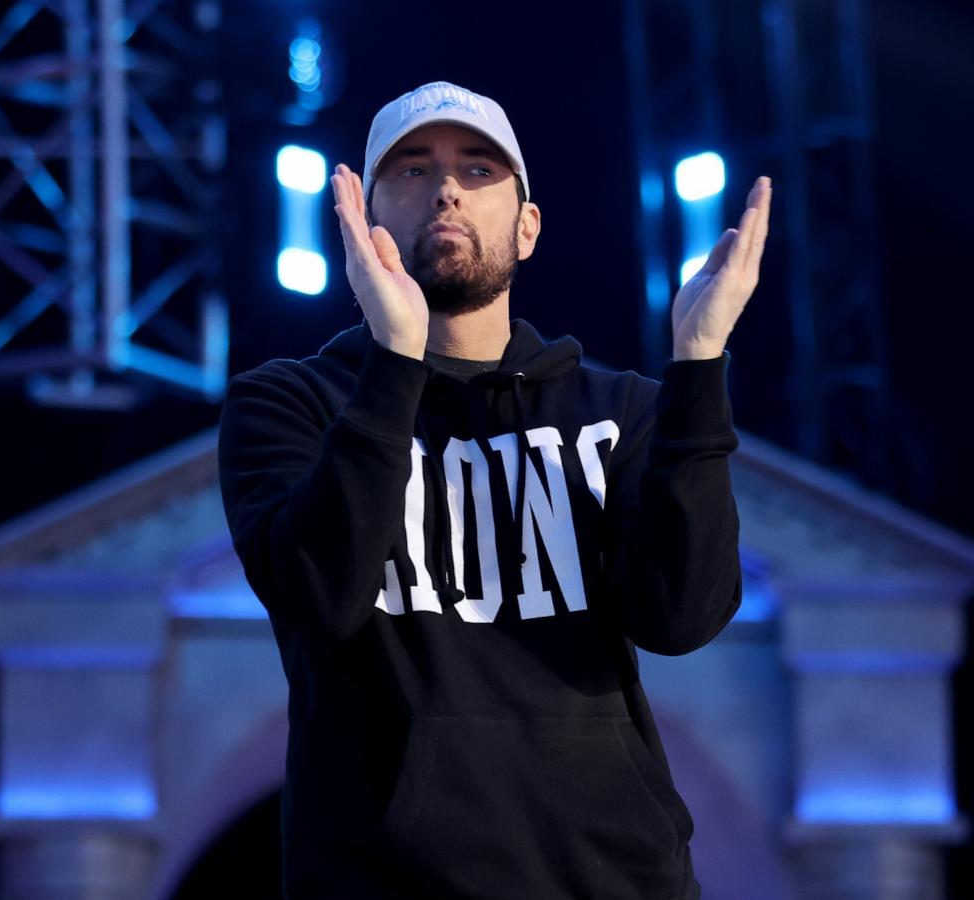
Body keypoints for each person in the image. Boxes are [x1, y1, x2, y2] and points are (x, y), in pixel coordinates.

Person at [216, 80, 771, 899]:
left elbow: (681, 617)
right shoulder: (290, 404)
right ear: (364, 226)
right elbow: (322, 597)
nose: (445, 188)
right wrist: (394, 359)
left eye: (478, 170)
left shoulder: (620, 410)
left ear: (528, 225)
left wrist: (697, 364)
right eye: (411, 170)